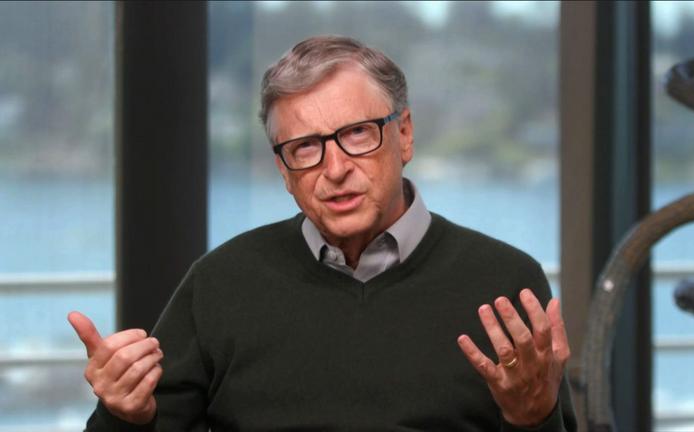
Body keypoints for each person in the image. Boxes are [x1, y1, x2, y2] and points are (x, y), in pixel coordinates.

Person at [69, 35, 577, 431]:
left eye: (357, 134)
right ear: (283, 169)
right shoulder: (220, 283)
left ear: (403, 135)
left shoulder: (504, 281)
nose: (335, 169)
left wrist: (533, 418)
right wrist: (122, 417)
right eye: (305, 147)